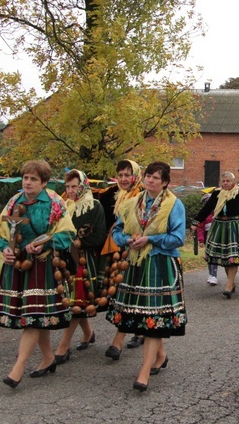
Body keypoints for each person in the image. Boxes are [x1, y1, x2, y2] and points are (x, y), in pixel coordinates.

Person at [0, 160, 76, 388]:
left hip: (42, 265)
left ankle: (17, 368)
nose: (27, 183)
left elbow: (68, 234)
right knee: (36, 317)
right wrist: (5, 249)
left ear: (45, 182)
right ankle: (49, 358)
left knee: (32, 318)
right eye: (25, 178)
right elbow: (2, 233)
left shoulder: (54, 203)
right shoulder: (13, 202)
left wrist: (44, 244)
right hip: (18, 266)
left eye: (33, 179)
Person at [106, 161, 187, 391]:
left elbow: (178, 237)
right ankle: (160, 356)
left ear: (165, 182)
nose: (150, 180)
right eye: (148, 176)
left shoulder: (173, 205)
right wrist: (128, 240)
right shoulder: (132, 203)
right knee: (143, 316)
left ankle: (144, 372)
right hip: (136, 265)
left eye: (156, 178)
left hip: (160, 265)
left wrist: (150, 239)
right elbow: (118, 231)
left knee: (153, 318)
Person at [54, 169, 106, 364]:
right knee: (75, 298)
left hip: (84, 258)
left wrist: (79, 243)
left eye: (74, 186)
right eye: (67, 187)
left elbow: (99, 234)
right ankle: (88, 333)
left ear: (83, 186)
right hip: (66, 258)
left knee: (76, 300)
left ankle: (63, 346)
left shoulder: (94, 206)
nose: (70, 190)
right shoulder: (64, 206)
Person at [98, 160, 146, 360]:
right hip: (116, 247)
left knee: (131, 291)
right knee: (126, 293)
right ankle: (141, 330)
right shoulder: (112, 195)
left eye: (128, 175)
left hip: (138, 250)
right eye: (121, 175)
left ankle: (118, 341)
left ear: (136, 176)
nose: (124, 179)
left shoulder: (143, 195)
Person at [191, 171, 239, 298]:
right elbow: (206, 209)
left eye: (228, 181)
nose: (225, 183)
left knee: (233, 257)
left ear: (233, 182)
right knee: (226, 259)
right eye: (223, 181)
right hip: (219, 227)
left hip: (235, 227)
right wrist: (196, 222)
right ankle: (231, 283)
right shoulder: (216, 194)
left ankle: (229, 284)